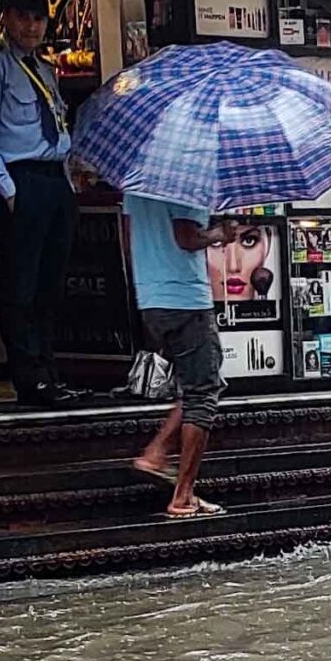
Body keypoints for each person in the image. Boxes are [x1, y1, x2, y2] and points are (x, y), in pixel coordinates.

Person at [0, 0, 77, 407]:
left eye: (38, 18)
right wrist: (8, 190)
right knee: (22, 283)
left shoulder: (44, 68)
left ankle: (49, 370)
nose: (32, 26)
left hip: (54, 179)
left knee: (51, 283)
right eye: (23, 17)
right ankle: (28, 377)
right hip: (21, 179)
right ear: (6, 18)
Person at [125, 190, 233, 519]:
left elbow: (128, 233)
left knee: (198, 386)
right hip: (185, 299)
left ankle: (156, 454)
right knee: (203, 394)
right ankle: (182, 495)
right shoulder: (187, 185)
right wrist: (219, 234)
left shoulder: (137, 188)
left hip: (151, 297)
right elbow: (186, 237)